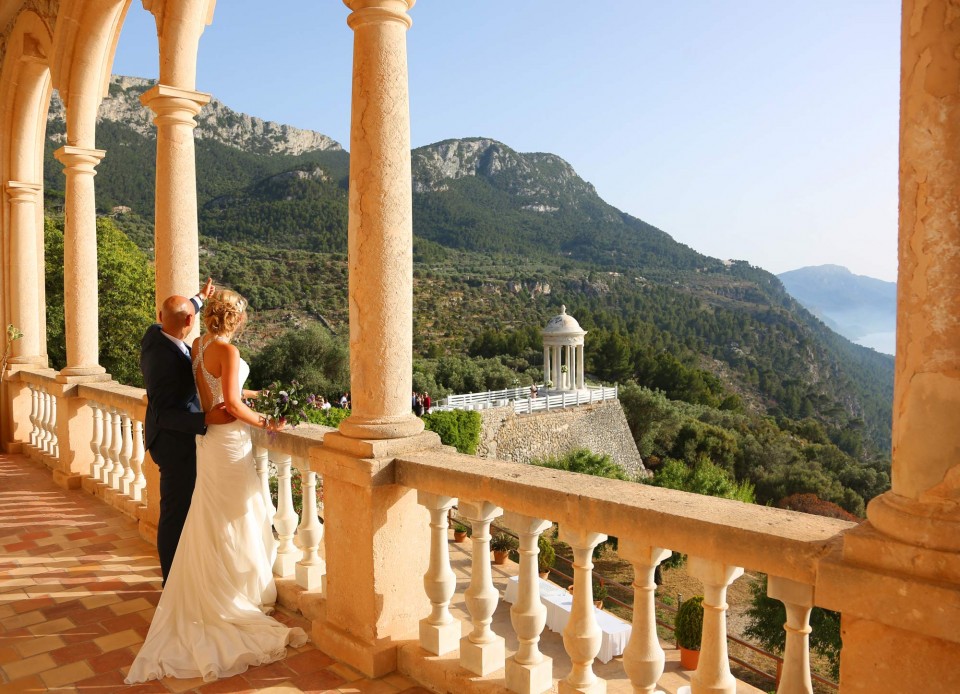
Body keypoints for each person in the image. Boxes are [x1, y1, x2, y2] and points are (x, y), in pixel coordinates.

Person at [127, 290, 307, 684]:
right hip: (227, 440)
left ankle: (206, 586)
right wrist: (267, 422)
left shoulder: (197, 344)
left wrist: (261, 396)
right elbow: (231, 404)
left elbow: (222, 394)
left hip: (208, 442)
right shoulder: (228, 352)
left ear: (206, 316)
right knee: (236, 514)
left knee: (212, 514)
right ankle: (232, 592)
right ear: (237, 320)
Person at [140, 278, 233, 586]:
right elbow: (164, 413)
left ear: (159, 318)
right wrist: (205, 419)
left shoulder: (154, 334)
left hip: (175, 439)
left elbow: (180, 310)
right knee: (175, 514)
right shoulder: (163, 359)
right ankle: (172, 584)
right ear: (189, 323)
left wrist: (199, 298)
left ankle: (191, 574)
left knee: (189, 509)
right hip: (172, 444)